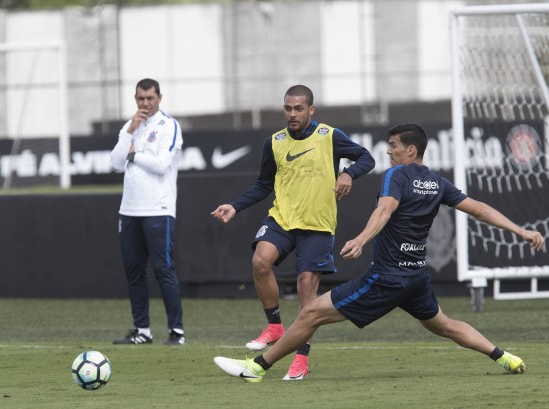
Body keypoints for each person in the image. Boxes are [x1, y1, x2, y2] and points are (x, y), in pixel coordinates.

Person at [214, 123, 546, 382]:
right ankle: (505, 357)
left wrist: (360, 239)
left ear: (410, 150)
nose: (388, 152)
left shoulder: (396, 176)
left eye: (393, 146)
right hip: (416, 277)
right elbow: (479, 209)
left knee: (311, 312)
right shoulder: (435, 182)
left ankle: (256, 368)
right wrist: (521, 231)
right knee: (445, 324)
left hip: (387, 277)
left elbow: (384, 211)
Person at [211, 85, 375, 380]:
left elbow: (367, 157)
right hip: (283, 218)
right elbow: (263, 184)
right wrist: (235, 206)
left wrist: (348, 172)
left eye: (299, 108)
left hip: (317, 224)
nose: (292, 114)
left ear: (311, 110)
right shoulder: (273, 142)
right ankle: (275, 326)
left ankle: (301, 359)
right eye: (288, 108)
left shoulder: (329, 136)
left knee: (306, 291)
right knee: (260, 261)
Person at [110, 78, 185, 346]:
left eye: (150, 98)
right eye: (140, 99)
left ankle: (177, 331)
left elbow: (162, 164)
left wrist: (134, 154)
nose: (145, 104)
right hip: (129, 209)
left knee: (163, 269)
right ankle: (142, 330)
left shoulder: (169, 125)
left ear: (159, 98)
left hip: (159, 208)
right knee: (133, 270)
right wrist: (129, 131)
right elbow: (116, 163)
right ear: (135, 98)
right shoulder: (130, 127)